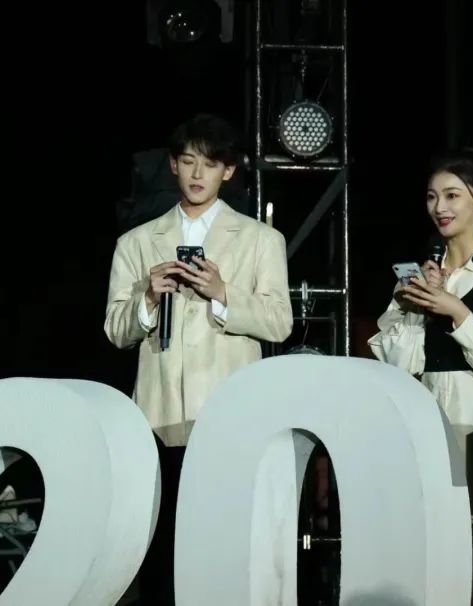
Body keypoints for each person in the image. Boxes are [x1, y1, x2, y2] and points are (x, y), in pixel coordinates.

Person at [104, 113, 293, 604]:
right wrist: (148, 298)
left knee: (224, 549)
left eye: (209, 164)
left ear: (227, 171)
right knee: (163, 554)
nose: (196, 174)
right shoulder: (137, 242)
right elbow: (115, 330)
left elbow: (280, 322)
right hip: (159, 416)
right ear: (173, 165)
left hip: (227, 416)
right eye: (188, 161)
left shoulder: (259, 239)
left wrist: (222, 292)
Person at [368, 148, 473, 606]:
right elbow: (396, 365)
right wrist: (411, 307)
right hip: (429, 439)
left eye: (452, 195)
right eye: (431, 196)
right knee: (438, 586)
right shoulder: (420, 278)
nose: (439, 207)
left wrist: (456, 309)